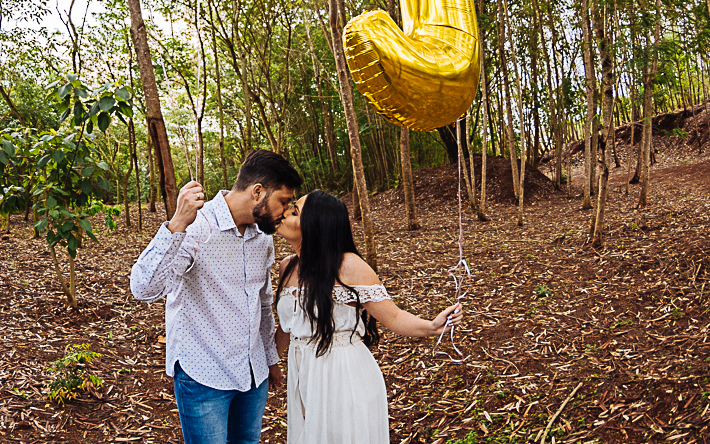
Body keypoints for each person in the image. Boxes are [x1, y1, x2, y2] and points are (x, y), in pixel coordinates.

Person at [130, 149, 303, 444]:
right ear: (258, 192)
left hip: (253, 374)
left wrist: (270, 360)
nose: (284, 212)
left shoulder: (263, 238)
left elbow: (263, 302)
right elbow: (144, 289)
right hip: (204, 375)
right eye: (283, 202)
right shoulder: (197, 226)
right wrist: (177, 224)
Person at [274, 190, 462, 444]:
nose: (284, 212)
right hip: (303, 374)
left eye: (295, 211)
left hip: (342, 373)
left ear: (316, 225)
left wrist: (431, 326)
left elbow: (393, 316)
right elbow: (288, 328)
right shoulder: (287, 267)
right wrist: (269, 364)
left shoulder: (348, 266)